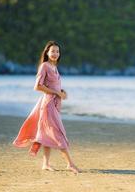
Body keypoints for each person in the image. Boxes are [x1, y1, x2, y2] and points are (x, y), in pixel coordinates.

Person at [13, 41, 80, 174]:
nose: (55, 53)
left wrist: (61, 91)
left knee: (46, 135)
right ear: (47, 53)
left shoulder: (54, 67)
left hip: (53, 105)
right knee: (59, 134)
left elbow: (53, 86)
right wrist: (56, 93)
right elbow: (37, 86)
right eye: (52, 51)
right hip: (48, 106)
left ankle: (46, 164)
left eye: (57, 51)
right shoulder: (44, 66)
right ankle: (70, 164)